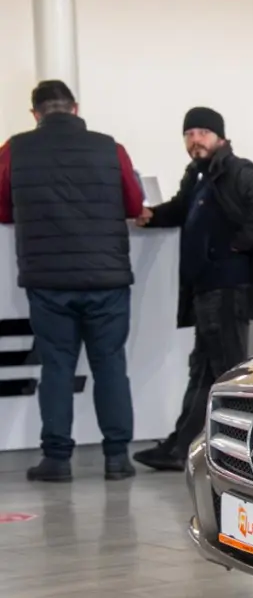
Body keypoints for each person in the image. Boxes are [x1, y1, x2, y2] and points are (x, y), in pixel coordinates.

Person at [133, 108, 253, 471]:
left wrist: (239, 245)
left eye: (203, 132)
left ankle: (241, 450)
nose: (195, 140)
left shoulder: (236, 169)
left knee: (229, 372)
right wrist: (152, 216)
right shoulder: (198, 176)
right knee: (205, 371)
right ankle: (182, 446)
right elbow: (180, 210)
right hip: (206, 290)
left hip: (227, 288)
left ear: (219, 137)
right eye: (189, 133)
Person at [0, 80, 144, 482]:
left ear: (35, 113)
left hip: (48, 282)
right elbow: (134, 204)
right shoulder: (110, 148)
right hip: (107, 281)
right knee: (111, 366)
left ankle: (57, 460)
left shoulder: (14, 149)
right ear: (75, 108)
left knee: (57, 367)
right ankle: (117, 458)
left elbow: (2, 207)